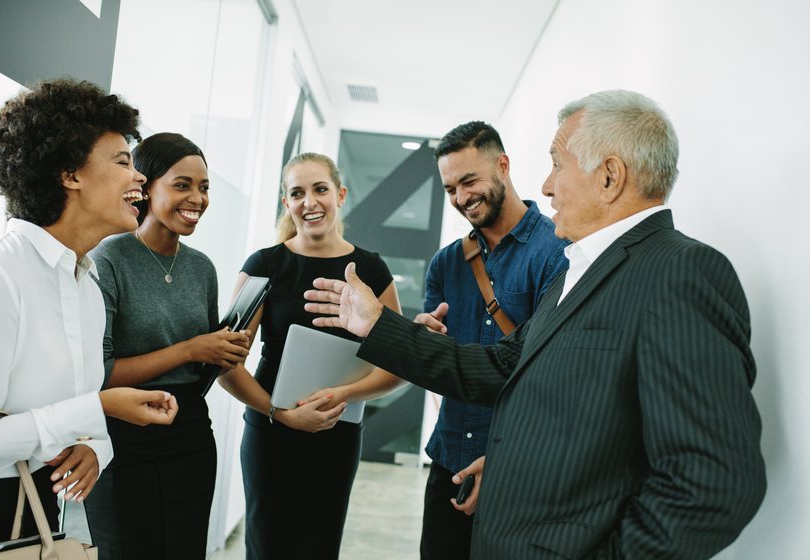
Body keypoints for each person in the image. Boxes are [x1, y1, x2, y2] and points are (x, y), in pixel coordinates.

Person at [305, 90, 767, 559]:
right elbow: (504, 366)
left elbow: (714, 482)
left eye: (557, 166)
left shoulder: (680, 271)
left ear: (609, 176)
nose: (546, 187)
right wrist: (378, 325)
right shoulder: (580, 268)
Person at [0, 79, 179, 548]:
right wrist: (100, 407)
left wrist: (94, 447)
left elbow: (78, 422)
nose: (139, 177)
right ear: (70, 175)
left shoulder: (87, 285)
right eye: (123, 162)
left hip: (39, 515)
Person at [215, 152, 404, 559]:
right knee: (268, 547)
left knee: (320, 548)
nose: (309, 202)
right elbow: (224, 362)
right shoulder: (265, 264)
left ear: (340, 194)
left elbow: (397, 365)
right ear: (286, 203)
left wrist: (342, 396)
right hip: (271, 434)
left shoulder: (371, 269)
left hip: (336, 437)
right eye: (296, 193)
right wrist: (278, 412)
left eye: (320, 189)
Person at [82, 133, 249, 559]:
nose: (197, 198)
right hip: (122, 432)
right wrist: (193, 349)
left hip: (190, 431)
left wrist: (221, 352)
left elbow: (200, 370)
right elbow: (99, 373)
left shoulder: (202, 268)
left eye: (204, 187)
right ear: (145, 186)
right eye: (182, 184)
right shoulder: (108, 258)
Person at [417, 121, 567, 559]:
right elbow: (439, 370)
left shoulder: (556, 253)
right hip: (448, 461)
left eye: (469, 181)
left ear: (503, 165)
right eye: (450, 189)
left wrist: (505, 466)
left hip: (518, 470)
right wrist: (425, 341)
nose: (461, 198)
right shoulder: (445, 264)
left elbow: (553, 377)